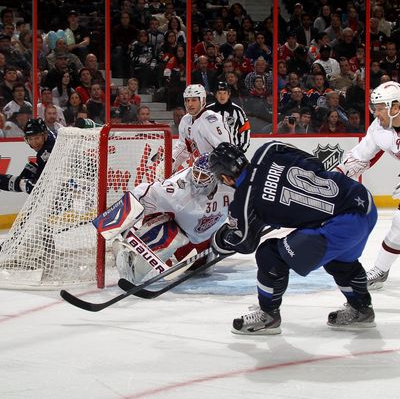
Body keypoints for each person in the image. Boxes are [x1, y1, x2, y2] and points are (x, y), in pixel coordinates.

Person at [209, 141, 377, 334]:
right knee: (339, 261)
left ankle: (268, 315)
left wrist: (218, 240)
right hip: (362, 201)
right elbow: (315, 162)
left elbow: (244, 242)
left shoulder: (244, 204)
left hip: (343, 225)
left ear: (225, 177)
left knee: (269, 255)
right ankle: (361, 309)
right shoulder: (269, 150)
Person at [99, 153, 234, 284]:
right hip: (177, 227)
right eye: (196, 173)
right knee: (174, 235)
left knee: (201, 271)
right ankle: (133, 261)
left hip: (204, 237)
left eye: (204, 176)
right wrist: (115, 221)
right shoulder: (177, 188)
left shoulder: (230, 187)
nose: (198, 179)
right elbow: (143, 193)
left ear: (216, 177)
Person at [336, 81, 400, 289]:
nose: (376, 114)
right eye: (375, 108)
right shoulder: (379, 129)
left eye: (380, 108)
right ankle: (381, 270)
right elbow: (361, 156)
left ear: (396, 107)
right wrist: (336, 176)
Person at [172, 84, 231, 172]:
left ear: (202, 100)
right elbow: (183, 146)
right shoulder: (185, 120)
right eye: (187, 100)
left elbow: (225, 149)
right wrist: (171, 161)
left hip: (215, 171)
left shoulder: (212, 120)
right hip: (199, 171)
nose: (190, 104)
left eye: (194, 100)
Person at [0, 118, 55, 194]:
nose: (34, 143)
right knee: (28, 173)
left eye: (37, 138)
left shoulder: (46, 152)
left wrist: (22, 183)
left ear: (44, 135)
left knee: (24, 183)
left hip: (67, 185)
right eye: (30, 139)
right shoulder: (49, 136)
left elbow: (40, 188)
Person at [206, 81, 251, 151]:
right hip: (211, 152)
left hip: (232, 153)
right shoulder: (207, 111)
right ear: (215, 94)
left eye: (224, 93)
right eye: (219, 93)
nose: (222, 96)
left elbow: (245, 129)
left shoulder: (238, 111)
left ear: (229, 94)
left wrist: (241, 149)